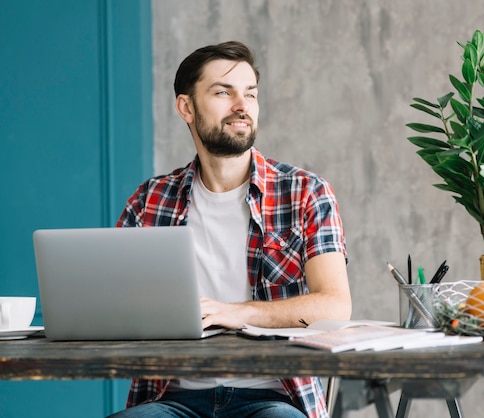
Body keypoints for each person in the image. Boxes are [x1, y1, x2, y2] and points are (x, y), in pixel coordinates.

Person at [108, 41, 351, 418]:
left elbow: (334, 306)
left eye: (250, 94)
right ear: (186, 107)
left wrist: (239, 313)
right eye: (224, 92)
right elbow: (113, 305)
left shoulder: (305, 192)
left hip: (274, 398)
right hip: (171, 399)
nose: (242, 105)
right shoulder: (149, 201)